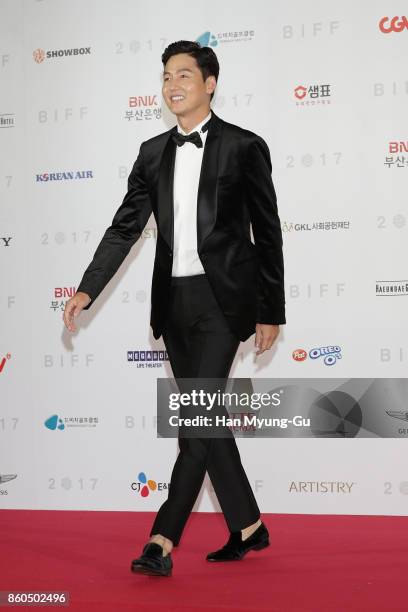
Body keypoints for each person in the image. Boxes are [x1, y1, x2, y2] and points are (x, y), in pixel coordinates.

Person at [63, 40, 286, 577]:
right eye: (166, 76)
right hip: (174, 303)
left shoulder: (243, 146)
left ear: (210, 83)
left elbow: (268, 231)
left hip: (223, 301)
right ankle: (250, 526)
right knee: (206, 420)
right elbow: (125, 228)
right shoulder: (151, 152)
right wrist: (87, 288)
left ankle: (161, 541)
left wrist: (270, 310)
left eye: (184, 74)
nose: (172, 84)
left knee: (195, 420)